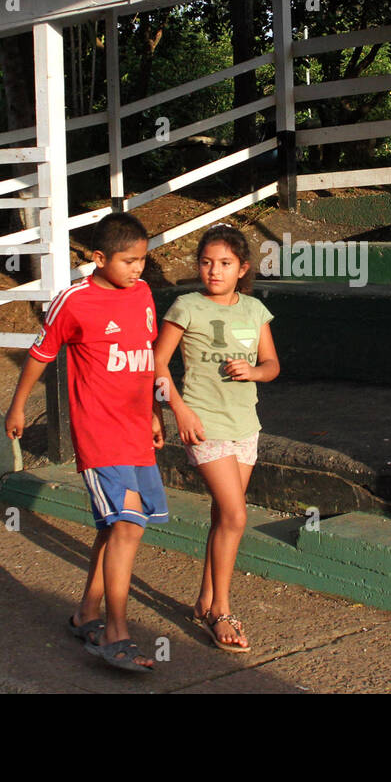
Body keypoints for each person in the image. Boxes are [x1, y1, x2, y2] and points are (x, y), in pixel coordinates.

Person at [4, 212, 166, 673]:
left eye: (142, 260)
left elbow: (145, 358)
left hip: (136, 431)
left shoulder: (143, 293)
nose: (138, 269)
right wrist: (18, 406)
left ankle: (86, 615)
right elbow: (41, 354)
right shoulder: (72, 301)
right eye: (129, 261)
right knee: (128, 525)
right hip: (99, 433)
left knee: (115, 527)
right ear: (99, 258)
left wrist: (154, 411)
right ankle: (116, 632)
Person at [153, 223, 279, 653]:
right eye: (206, 262)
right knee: (236, 516)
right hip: (204, 424)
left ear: (242, 268)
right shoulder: (186, 306)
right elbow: (157, 364)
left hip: (246, 424)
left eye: (225, 263)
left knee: (224, 516)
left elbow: (272, 364)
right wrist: (179, 410)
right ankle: (222, 612)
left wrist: (254, 371)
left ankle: (205, 600)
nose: (214, 271)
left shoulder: (255, 310)